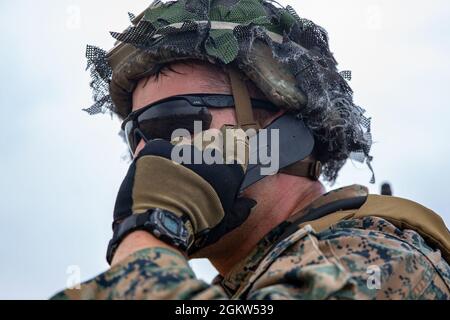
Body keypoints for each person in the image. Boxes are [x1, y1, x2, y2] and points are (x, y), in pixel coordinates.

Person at [52, 0, 450, 300]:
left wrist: (148, 232)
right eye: (135, 134)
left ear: (282, 130)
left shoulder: (380, 259)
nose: (145, 156)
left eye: (171, 123)